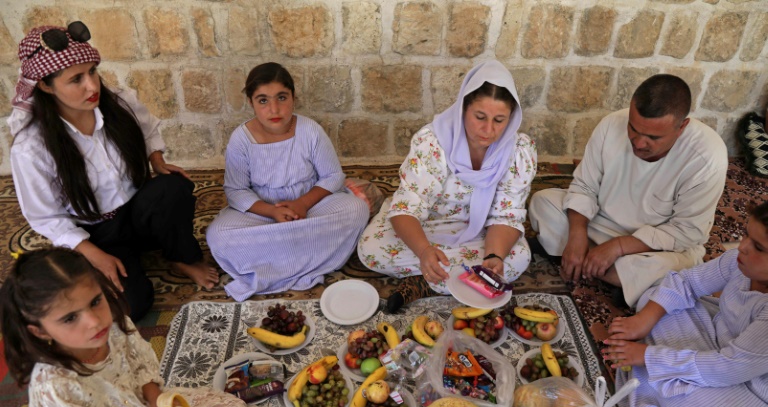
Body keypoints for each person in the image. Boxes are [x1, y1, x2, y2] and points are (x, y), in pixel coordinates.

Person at [0, 247, 268, 407]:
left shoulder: (112, 325)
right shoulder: (54, 388)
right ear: (41, 331)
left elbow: (140, 368)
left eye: (95, 301)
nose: (94, 322)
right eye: (70, 318)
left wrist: (158, 405)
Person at [9, 22, 219, 321]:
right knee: (132, 306)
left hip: (136, 211)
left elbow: (146, 126)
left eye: (93, 71)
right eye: (76, 79)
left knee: (173, 188)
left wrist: (156, 160)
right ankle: (121, 260)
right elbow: (46, 217)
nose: (92, 86)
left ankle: (181, 259)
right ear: (45, 85)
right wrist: (94, 255)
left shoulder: (118, 102)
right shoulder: (32, 147)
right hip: (97, 233)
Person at [528, 74, 728, 307]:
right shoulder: (610, 125)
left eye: (653, 137)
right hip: (600, 224)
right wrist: (577, 233)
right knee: (543, 202)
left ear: (682, 127)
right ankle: (616, 276)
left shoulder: (707, 158)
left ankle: (588, 262)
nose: (639, 142)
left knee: (672, 266)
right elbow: (584, 186)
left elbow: (686, 232)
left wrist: (620, 246)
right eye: (633, 128)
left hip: (654, 247)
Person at [357, 60, 536, 313]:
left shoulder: (518, 151)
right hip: (426, 226)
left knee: (517, 258)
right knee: (371, 250)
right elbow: (408, 207)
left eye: (499, 120)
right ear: (463, 109)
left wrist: (493, 257)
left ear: (512, 118)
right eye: (480, 117)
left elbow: (507, 215)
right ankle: (451, 276)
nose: (488, 130)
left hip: (480, 232)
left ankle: (424, 283)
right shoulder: (432, 142)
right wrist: (424, 251)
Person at [601, 201, 768, 407]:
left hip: (750, 391)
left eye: (759, 247)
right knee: (653, 297)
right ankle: (664, 379)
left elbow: (726, 368)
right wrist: (643, 321)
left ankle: (656, 378)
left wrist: (648, 357)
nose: (742, 247)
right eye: (745, 235)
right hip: (715, 340)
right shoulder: (737, 261)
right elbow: (687, 282)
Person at [206, 62, 369, 301]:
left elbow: (333, 176)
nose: (274, 109)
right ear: (251, 103)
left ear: (293, 97)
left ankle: (278, 258)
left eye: (281, 97)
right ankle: (306, 254)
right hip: (261, 212)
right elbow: (236, 190)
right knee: (217, 234)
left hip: (309, 207)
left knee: (356, 209)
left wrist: (302, 204)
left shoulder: (309, 130)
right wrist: (272, 211)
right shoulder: (241, 139)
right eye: (263, 100)